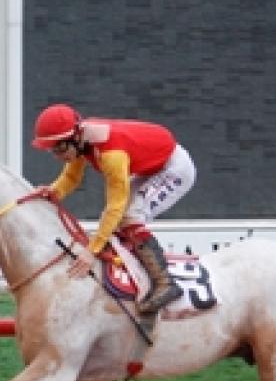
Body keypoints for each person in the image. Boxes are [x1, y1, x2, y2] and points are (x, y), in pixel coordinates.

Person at [31, 103, 197, 313]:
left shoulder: (111, 155)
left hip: (174, 168)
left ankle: (165, 283)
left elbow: (114, 206)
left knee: (130, 216)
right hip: (151, 167)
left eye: (60, 148)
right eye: (51, 150)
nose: (57, 155)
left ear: (76, 137)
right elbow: (72, 176)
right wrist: (53, 192)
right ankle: (132, 274)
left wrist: (92, 250)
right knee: (118, 223)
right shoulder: (82, 140)